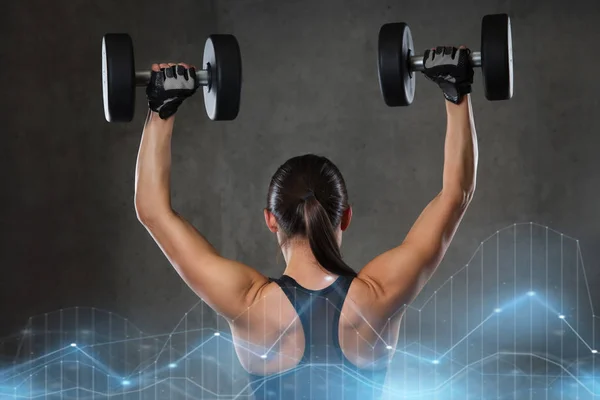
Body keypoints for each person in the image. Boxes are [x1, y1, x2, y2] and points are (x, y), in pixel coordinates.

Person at [134, 46, 477, 399]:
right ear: (346, 215)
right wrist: (456, 91)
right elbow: (456, 195)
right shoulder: (380, 294)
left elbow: (152, 211)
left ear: (271, 220)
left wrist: (162, 107)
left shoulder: (248, 302)